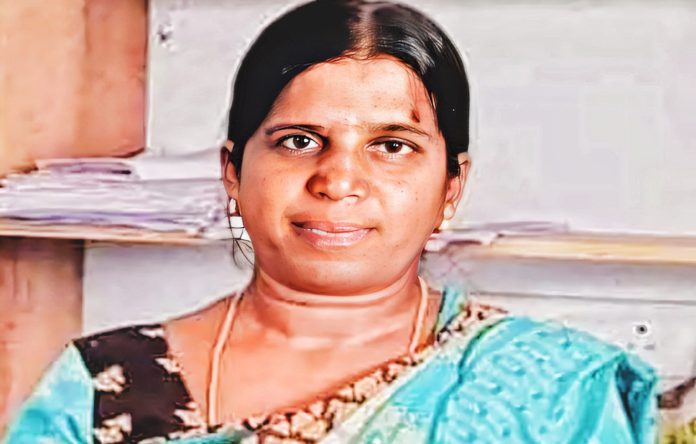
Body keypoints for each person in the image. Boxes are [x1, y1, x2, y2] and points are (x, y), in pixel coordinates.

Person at [5, 0, 658, 442]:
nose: (339, 180)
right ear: (233, 170)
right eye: (299, 141)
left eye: (392, 146)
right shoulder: (104, 385)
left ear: (450, 187)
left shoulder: (556, 391)